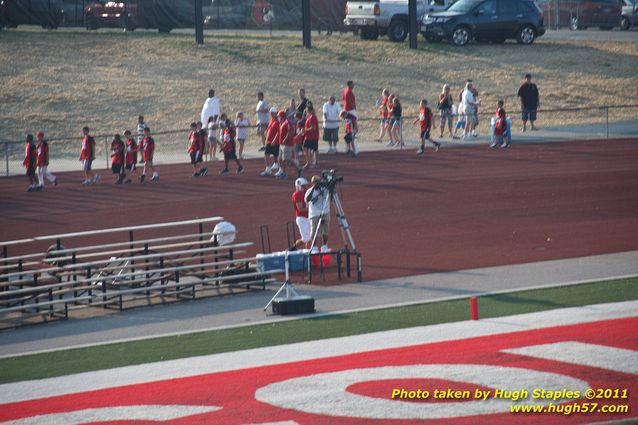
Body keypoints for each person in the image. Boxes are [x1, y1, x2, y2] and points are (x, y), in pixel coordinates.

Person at [305, 175, 331, 252]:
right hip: (314, 213)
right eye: (315, 183)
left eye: (318, 182)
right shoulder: (309, 191)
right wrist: (313, 189)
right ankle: (314, 247)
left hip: (325, 212)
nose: (317, 184)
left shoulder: (325, 189)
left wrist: (326, 183)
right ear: (312, 183)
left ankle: (325, 246)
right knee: (313, 231)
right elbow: (307, 199)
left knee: (325, 230)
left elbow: (330, 191)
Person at [275, 110, 298, 179]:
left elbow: (291, 131)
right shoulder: (282, 122)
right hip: (281, 144)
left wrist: (285, 138)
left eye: (279, 116)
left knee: (286, 160)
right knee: (279, 159)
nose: (278, 118)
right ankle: (282, 171)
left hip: (287, 144)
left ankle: (296, 169)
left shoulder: (287, 122)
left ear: (282, 116)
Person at [260, 107, 280, 177]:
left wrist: (274, 140)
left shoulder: (277, 122)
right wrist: (266, 139)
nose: (271, 114)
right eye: (271, 113)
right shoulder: (271, 121)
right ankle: (275, 165)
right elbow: (268, 131)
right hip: (269, 141)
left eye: (273, 113)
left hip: (273, 141)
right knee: (273, 155)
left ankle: (268, 169)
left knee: (267, 155)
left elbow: (278, 132)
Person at [292, 177, 310, 249]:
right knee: (306, 239)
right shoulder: (297, 194)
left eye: (305, 186)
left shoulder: (304, 193)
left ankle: (309, 253)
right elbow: (300, 209)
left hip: (307, 217)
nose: (305, 187)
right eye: (303, 186)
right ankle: (292, 249)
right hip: (302, 219)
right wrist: (311, 208)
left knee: (311, 237)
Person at [302, 102, 320, 169]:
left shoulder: (312, 117)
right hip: (308, 136)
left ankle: (316, 163)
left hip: (313, 137)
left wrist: (305, 130)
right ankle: (309, 162)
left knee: (315, 149)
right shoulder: (309, 117)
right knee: (305, 147)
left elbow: (313, 128)